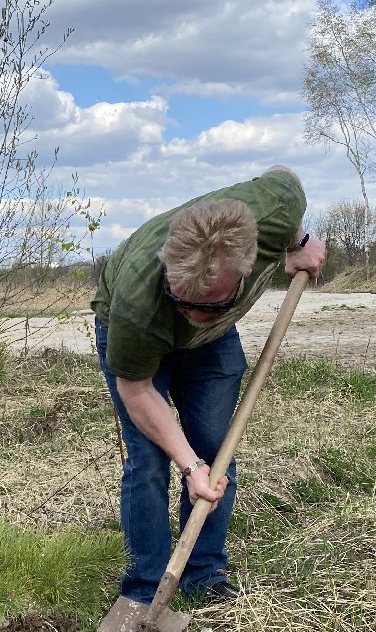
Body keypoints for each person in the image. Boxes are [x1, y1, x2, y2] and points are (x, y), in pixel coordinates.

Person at [92, 165, 327, 606]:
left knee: (217, 453)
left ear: (248, 268)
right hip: (142, 339)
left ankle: (202, 573)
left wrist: (298, 244)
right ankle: (144, 589)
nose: (192, 316)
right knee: (148, 460)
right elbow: (137, 390)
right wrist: (188, 466)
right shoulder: (134, 306)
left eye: (207, 306)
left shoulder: (274, 207)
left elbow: (284, 177)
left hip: (214, 347)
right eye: (184, 302)